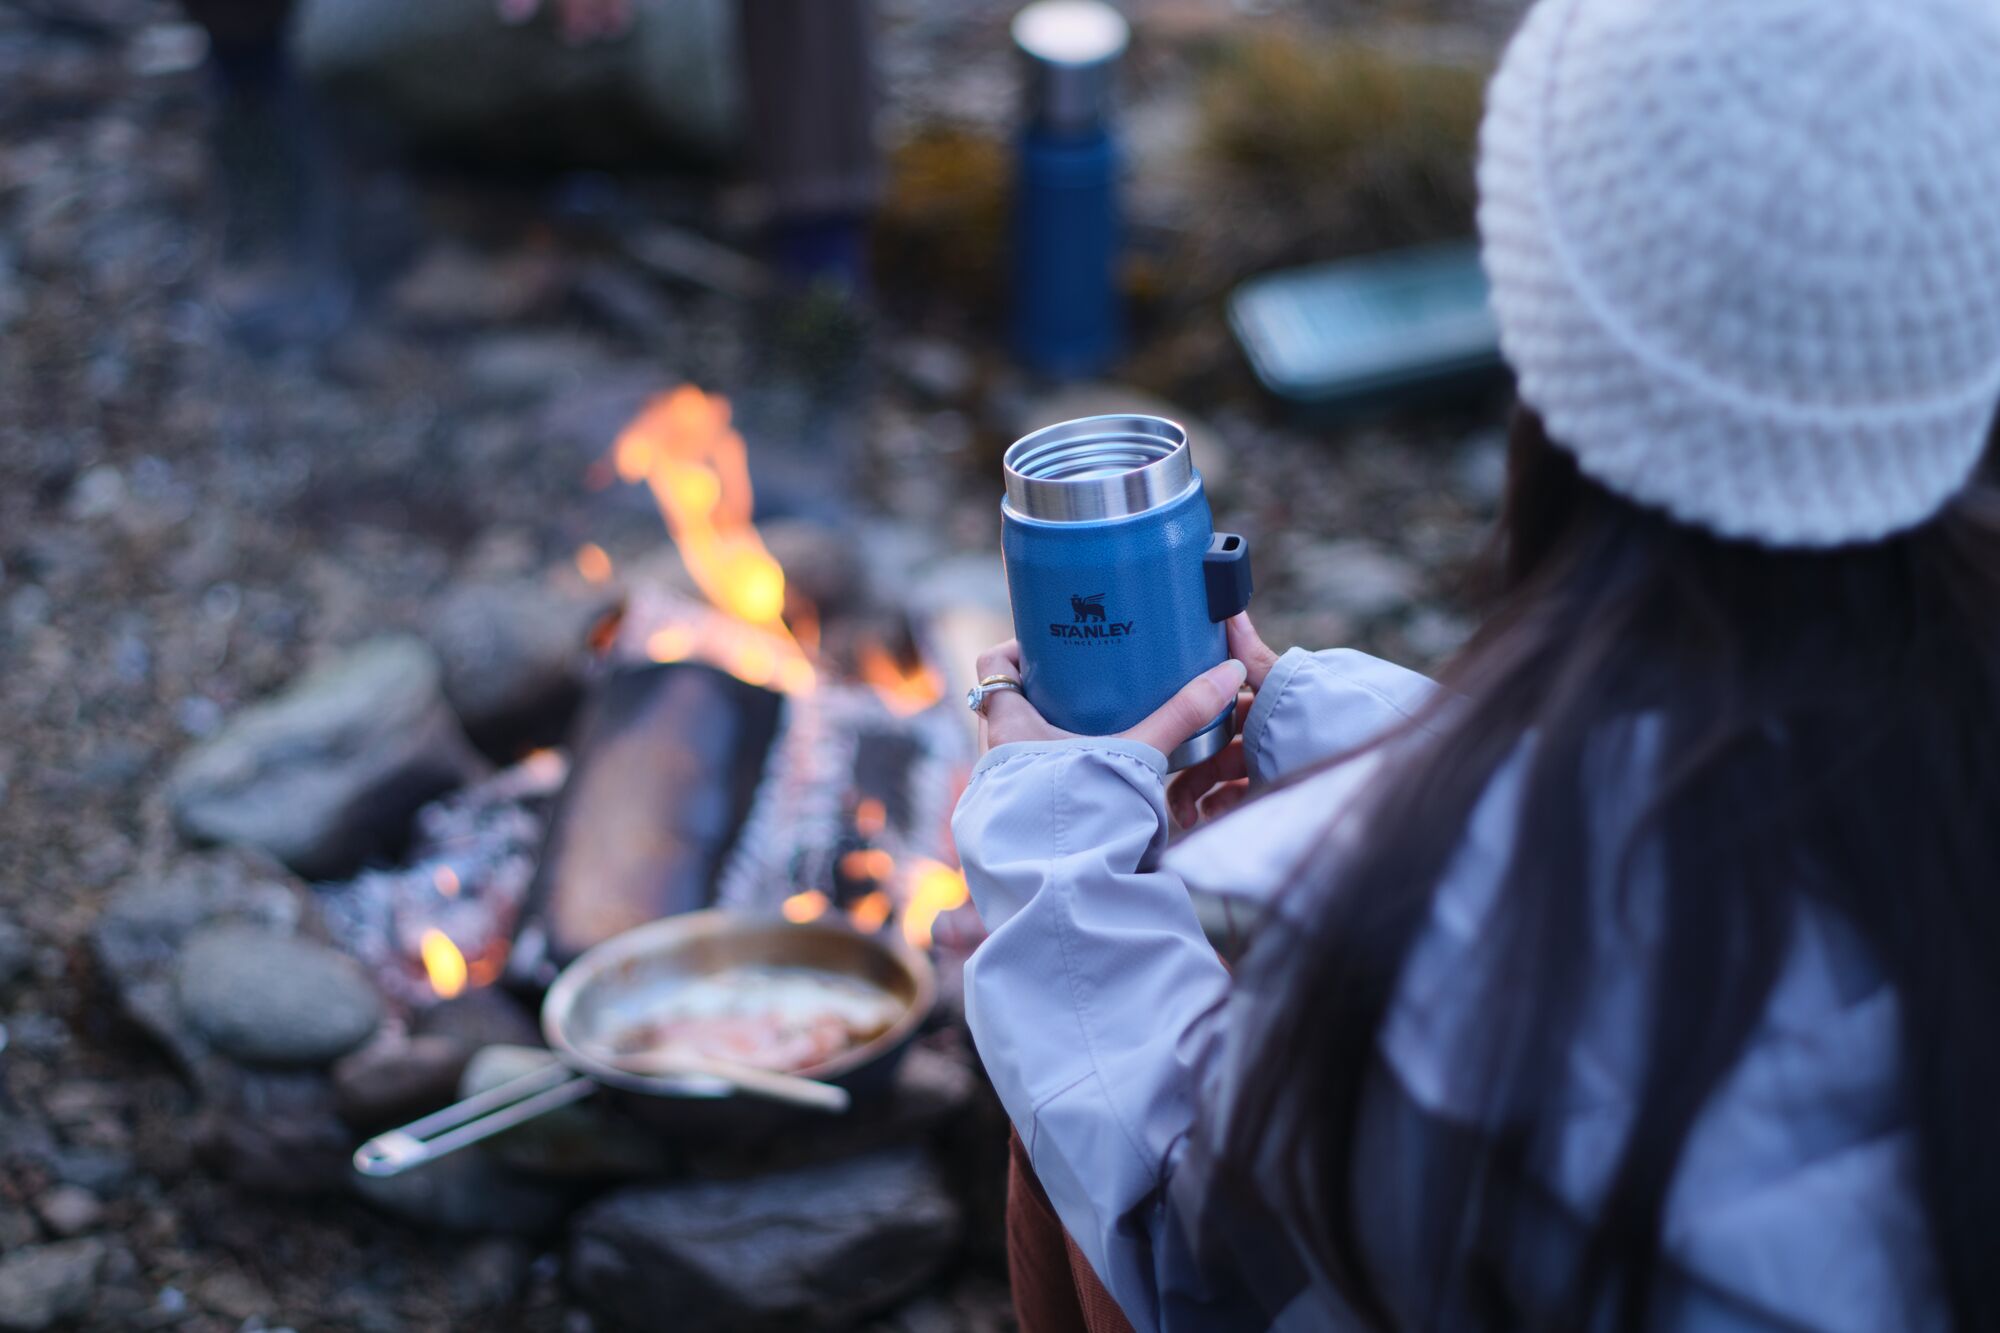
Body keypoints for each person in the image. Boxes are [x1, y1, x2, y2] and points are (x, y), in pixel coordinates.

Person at [952, 0, 2000, 1328]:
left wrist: (1056, 888)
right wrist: (1354, 730)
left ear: (1545, 347)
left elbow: (1197, 1268)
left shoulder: (1423, 995)